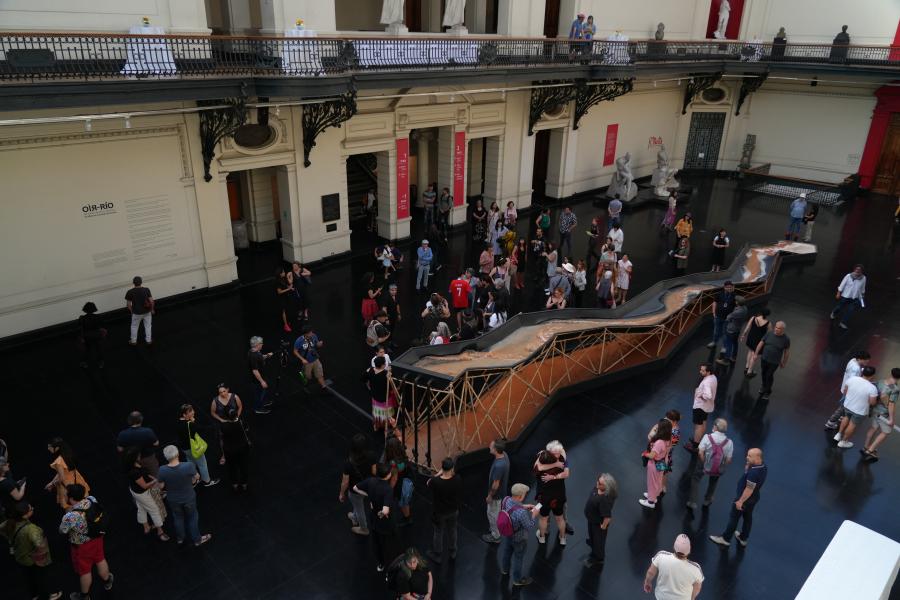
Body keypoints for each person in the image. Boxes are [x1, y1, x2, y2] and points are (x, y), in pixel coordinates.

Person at [58, 484, 114, 600]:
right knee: (100, 559)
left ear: (71, 498)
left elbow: (62, 531)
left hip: (82, 546)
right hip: (97, 538)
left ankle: (84, 596)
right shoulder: (91, 499)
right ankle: (107, 581)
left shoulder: (70, 516)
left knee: (85, 571)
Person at [1, 501, 62, 600]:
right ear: (25, 516)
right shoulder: (32, 529)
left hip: (20, 557)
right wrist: (43, 559)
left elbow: (3, 530)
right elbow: (40, 545)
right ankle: (53, 594)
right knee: (43, 576)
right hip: (33, 559)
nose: (32, 508)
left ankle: (34, 595)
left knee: (29, 578)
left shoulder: (8, 523)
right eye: (30, 509)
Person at [709, 448, 767, 548]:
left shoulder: (754, 473)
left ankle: (725, 539)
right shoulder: (763, 466)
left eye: (749, 456)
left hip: (744, 499)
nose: (746, 457)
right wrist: (747, 469)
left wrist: (740, 501)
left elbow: (749, 489)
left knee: (734, 518)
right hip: (754, 498)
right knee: (748, 518)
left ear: (757, 457)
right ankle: (743, 538)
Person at [156, 445, 212, 547]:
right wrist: (193, 481)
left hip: (173, 499)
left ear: (166, 457)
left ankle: (180, 538)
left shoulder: (162, 470)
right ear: (177, 454)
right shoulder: (188, 466)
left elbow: (161, 486)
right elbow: (196, 477)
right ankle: (197, 540)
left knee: (178, 517)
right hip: (188, 498)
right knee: (192, 517)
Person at [354, 463, 400, 572]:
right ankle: (394, 562)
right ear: (388, 475)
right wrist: (383, 513)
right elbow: (385, 510)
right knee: (390, 542)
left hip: (374, 518)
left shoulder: (370, 481)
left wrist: (368, 495)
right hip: (386, 522)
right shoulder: (388, 489)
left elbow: (355, 488)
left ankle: (381, 564)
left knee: (376, 543)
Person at [499, 483, 540, 587]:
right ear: (520, 496)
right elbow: (529, 526)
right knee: (518, 558)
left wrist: (525, 506)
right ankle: (517, 580)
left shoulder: (506, 499)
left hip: (508, 533)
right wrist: (534, 515)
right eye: (525, 494)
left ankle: (505, 570)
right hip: (519, 539)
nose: (525, 496)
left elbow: (512, 506)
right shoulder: (521, 513)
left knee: (507, 551)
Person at [122, 449, 169, 541]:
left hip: (135, 491)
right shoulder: (134, 472)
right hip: (143, 493)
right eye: (138, 455)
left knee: (141, 508)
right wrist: (156, 481)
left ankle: (146, 527)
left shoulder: (131, 466)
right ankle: (160, 531)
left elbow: (145, 475)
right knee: (155, 510)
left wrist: (153, 478)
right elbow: (144, 486)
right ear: (134, 458)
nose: (140, 456)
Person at [687, 418, 733, 510]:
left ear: (715, 427)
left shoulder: (707, 437)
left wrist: (704, 462)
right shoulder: (729, 442)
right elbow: (728, 459)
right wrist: (722, 465)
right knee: (713, 482)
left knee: (696, 478)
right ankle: (707, 499)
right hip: (718, 466)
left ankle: (692, 502)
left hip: (704, 462)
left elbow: (700, 452)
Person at [644, 534, 704, 599]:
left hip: (662, 597)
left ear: (674, 547)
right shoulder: (696, 568)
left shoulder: (661, 556)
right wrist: (692, 598)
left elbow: (650, 572)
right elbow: (697, 588)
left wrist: (647, 582)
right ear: (689, 550)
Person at [532, 441, 569, 546]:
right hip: (559, 495)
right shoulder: (562, 462)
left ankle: (542, 537)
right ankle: (562, 538)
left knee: (543, 518)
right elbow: (566, 471)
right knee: (560, 518)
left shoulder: (541, 463)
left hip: (544, 497)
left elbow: (537, 468)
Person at [427, 457, 462, 564]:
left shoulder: (436, 482)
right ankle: (453, 551)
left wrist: (439, 473)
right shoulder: (457, 479)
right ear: (452, 468)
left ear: (442, 468)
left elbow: (428, 483)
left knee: (438, 532)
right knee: (452, 530)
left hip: (440, 512)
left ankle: (437, 554)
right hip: (453, 510)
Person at [824, 350, 872, 430]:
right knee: (843, 407)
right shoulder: (855, 368)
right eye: (866, 361)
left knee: (844, 407)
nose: (867, 362)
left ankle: (840, 418)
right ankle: (831, 422)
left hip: (845, 388)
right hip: (849, 391)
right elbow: (852, 382)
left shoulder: (853, 360)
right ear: (860, 359)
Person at [833, 366, 878, 449]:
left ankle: (838, 434)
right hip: (859, 410)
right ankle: (843, 442)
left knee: (846, 417)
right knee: (852, 425)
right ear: (872, 375)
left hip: (848, 405)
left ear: (863, 372)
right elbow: (872, 402)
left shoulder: (852, 379)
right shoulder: (872, 388)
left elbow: (845, 391)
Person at [340, 434, 376, 536]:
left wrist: (341, 493)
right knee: (358, 504)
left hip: (355, 490)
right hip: (368, 487)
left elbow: (345, 482)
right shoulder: (372, 455)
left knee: (360, 508)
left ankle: (364, 528)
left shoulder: (348, 463)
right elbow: (374, 471)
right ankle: (354, 517)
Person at [862, 367, 899, 459]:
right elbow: (891, 405)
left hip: (875, 409)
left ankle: (866, 446)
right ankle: (870, 451)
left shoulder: (881, 381)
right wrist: (891, 419)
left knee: (873, 427)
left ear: (891, 373)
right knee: (885, 432)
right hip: (883, 414)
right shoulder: (895, 389)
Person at [178, 403, 219, 487]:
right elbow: (198, 430)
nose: (193, 412)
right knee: (202, 464)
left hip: (184, 448)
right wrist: (193, 421)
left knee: (191, 463)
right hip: (193, 448)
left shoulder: (178, 422)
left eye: (192, 410)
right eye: (190, 411)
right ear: (184, 415)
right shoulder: (190, 424)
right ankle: (207, 481)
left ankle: (194, 480)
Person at [45, 438, 89, 510]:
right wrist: (52, 482)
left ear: (57, 448)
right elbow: (63, 472)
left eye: (50, 447)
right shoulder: (68, 454)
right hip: (77, 481)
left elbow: (62, 477)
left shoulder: (58, 461)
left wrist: (53, 484)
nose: (48, 448)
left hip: (67, 485)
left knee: (71, 510)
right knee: (85, 505)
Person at [583, 473, 616, 568]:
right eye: (598, 480)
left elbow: (607, 517)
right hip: (592, 519)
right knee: (593, 536)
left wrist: (603, 527)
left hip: (598, 524)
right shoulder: (598, 488)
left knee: (599, 541)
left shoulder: (604, 500)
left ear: (606, 487)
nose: (597, 483)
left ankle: (598, 558)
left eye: (600, 483)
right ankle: (593, 543)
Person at [750, 320, 790, 399]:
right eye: (775, 327)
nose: (776, 329)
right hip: (764, 358)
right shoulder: (769, 334)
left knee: (769, 375)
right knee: (763, 373)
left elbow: (787, 352)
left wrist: (784, 362)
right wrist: (755, 354)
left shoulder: (786, 339)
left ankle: (767, 391)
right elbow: (761, 343)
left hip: (774, 362)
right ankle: (764, 386)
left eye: (778, 328)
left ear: (782, 330)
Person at [115, 411, 160, 476]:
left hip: (132, 462)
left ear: (129, 421)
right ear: (141, 420)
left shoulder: (122, 434)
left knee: (137, 480)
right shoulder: (147, 431)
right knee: (155, 476)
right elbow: (156, 443)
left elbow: (120, 449)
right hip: (148, 459)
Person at [481, 439, 509, 544]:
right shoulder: (504, 455)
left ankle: (496, 536)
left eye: (491, 446)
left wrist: (490, 496)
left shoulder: (498, 466)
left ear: (496, 450)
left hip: (496, 496)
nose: (489, 446)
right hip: (501, 493)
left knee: (491, 514)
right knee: (496, 512)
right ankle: (495, 529)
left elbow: (495, 485)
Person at [640, 419, 672, 509]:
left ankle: (650, 501)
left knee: (652, 482)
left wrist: (645, 454)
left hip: (654, 464)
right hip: (662, 462)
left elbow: (652, 455)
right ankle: (653, 496)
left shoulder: (659, 442)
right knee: (657, 480)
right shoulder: (668, 439)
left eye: (658, 427)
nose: (657, 427)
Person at [686, 363, 718, 452]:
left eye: (703, 370)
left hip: (700, 406)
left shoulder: (707, 382)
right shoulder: (713, 377)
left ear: (708, 372)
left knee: (698, 426)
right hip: (707, 407)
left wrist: (700, 395)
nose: (700, 371)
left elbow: (708, 395)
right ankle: (699, 439)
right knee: (703, 422)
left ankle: (695, 446)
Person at [219, 406, 250, 491]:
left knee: (232, 468)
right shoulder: (241, 423)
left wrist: (223, 455)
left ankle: (235, 485)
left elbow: (221, 441)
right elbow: (247, 430)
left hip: (229, 451)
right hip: (242, 449)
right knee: (243, 466)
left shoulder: (223, 427)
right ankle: (244, 484)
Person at [385, 436, 413, 525]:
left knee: (396, 500)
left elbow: (394, 479)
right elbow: (400, 437)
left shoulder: (393, 464)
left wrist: (388, 490)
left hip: (398, 484)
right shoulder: (402, 453)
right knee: (405, 501)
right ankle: (407, 517)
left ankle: (386, 515)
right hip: (405, 479)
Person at [830, 264, 866, 330]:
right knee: (839, 307)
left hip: (854, 298)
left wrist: (862, 297)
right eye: (857, 269)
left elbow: (862, 288)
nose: (858, 271)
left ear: (861, 271)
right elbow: (842, 284)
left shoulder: (863, 278)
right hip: (845, 296)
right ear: (854, 270)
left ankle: (843, 323)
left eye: (859, 270)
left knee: (850, 310)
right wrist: (838, 293)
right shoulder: (848, 276)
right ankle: (834, 313)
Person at [740, 307, 771, 378]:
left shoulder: (753, 318)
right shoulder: (768, 323)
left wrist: (743, 335)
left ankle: (747, 367)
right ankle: (749, 371)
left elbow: (747, 327)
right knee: (754, 355)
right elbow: (769, 334)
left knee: (750, 351)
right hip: (759, 341)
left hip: (751, 338)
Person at [367, 355, 395, 431]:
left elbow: (367, 382)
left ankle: (376, 425)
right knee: (386, 413)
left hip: (375, 396)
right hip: (384, 397)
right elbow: (392, 386)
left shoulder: (370, 370)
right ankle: (387, 427)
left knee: (377, 413)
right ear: (383, 365)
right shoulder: (386, 374)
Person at [718, 295, 748, 366]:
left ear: (737, 302)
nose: (735, 301)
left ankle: (726, 360)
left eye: (736, 301)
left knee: (729, 345)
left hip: (732, 329)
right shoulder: (745, 308)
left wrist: (728, 320)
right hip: (737, 329)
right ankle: (733, 357)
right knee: (735, 343)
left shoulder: (738, 312)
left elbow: (728, 317)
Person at [248, 336, 274, 415]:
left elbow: (260, 357)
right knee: (259, 393)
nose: (262, 344)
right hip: (257, 380)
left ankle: (263, 401)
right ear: (257, 345)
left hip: (261, 376)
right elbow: (255, 371)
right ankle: (258, 408)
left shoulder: (255, 352)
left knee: (263, 391)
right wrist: (262, 381)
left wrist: (266, 356)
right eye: (261, 343)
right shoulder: (254, 356)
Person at [125, 275, 153, 345]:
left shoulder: (130, 292)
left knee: (134, 326)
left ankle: (133, 341)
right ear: (141, 282)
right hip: (147, 312)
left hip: (136, 313)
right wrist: (152, 309)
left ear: (133, 283)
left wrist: (132, 311)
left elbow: (128, 304)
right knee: (148, 326)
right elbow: (151, 301)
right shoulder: (146, 289)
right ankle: (148, 340)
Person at [707, 280, 736, 350]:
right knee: (716, 331)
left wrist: (732, 316)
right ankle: (714, 342)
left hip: (727, 318)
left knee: (725, 333)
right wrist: (713, 312)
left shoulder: (734, 295)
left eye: (730, 287)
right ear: (724, 287)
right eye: (727, 287)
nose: (729, 288)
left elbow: (736, 307)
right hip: (718, 316)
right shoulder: (719, 294)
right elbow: (714, 303)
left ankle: (724, 346)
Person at [78, 302, 105, 369]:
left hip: (87, 336)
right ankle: (100, 363)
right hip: (97, 335)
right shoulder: (98, 317)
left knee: (87, 350)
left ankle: (84, 363)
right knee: (99, 349)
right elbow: (101, 326)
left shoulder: (82, 318)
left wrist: (82, 337)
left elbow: (81, 328)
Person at [275, 267, 294, 332]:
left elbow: (287, 285)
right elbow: (279, 292)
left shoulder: (283, 279)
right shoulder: (278, 281)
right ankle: (285, 325)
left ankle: (287, 322)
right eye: (283, 272)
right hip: (281, 298)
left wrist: (290, 288)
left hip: (286, 297)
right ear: (280, 274)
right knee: (283, 311)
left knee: (287, 309)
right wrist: (288, 289)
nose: (284, 273)